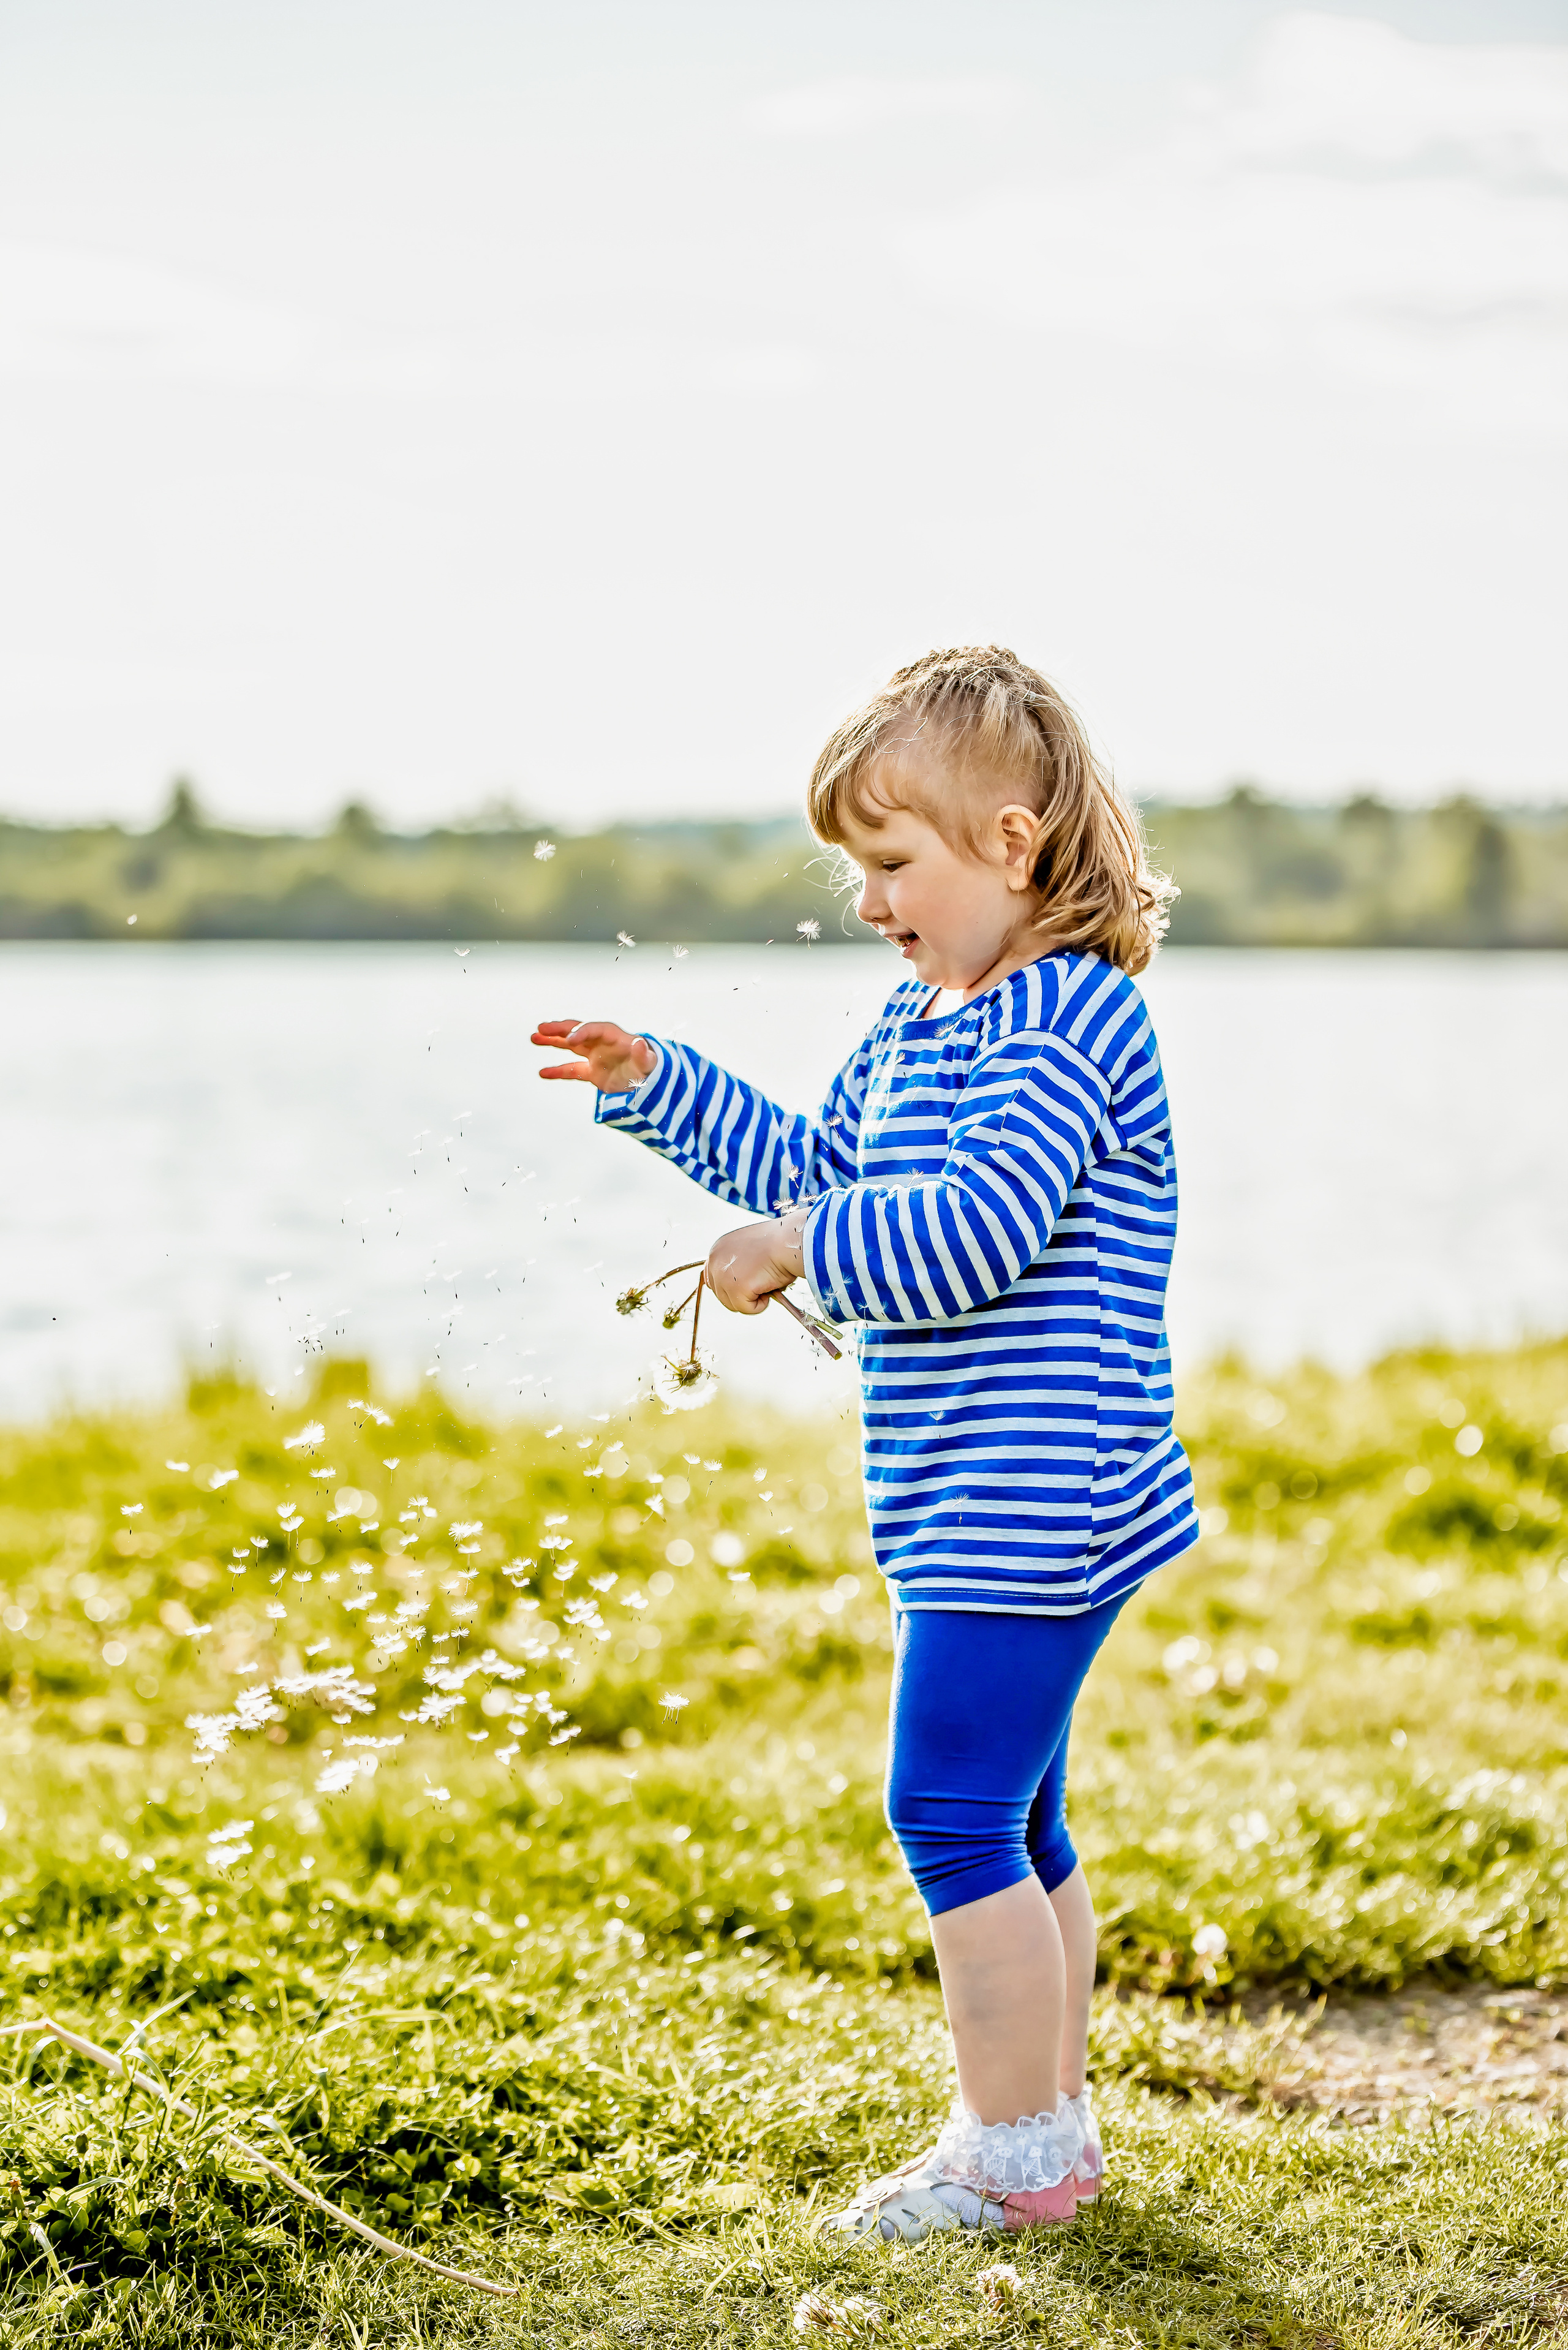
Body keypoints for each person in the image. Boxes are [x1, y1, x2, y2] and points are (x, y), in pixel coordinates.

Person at [530, 645, 1197, 2240]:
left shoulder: (1068, 1021)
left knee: (949, 1809)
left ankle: (1013, 2151)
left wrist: (806, 1246)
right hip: (985, 1492)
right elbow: (826, 1161)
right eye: (858, 868)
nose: (869, 900)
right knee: (1015, 1814)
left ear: (1014, 842)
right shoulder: (925, 1022)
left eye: (893, 862)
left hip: (1036, 1497)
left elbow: (965, 1232)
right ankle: (1050, 2123)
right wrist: (660, 1083)